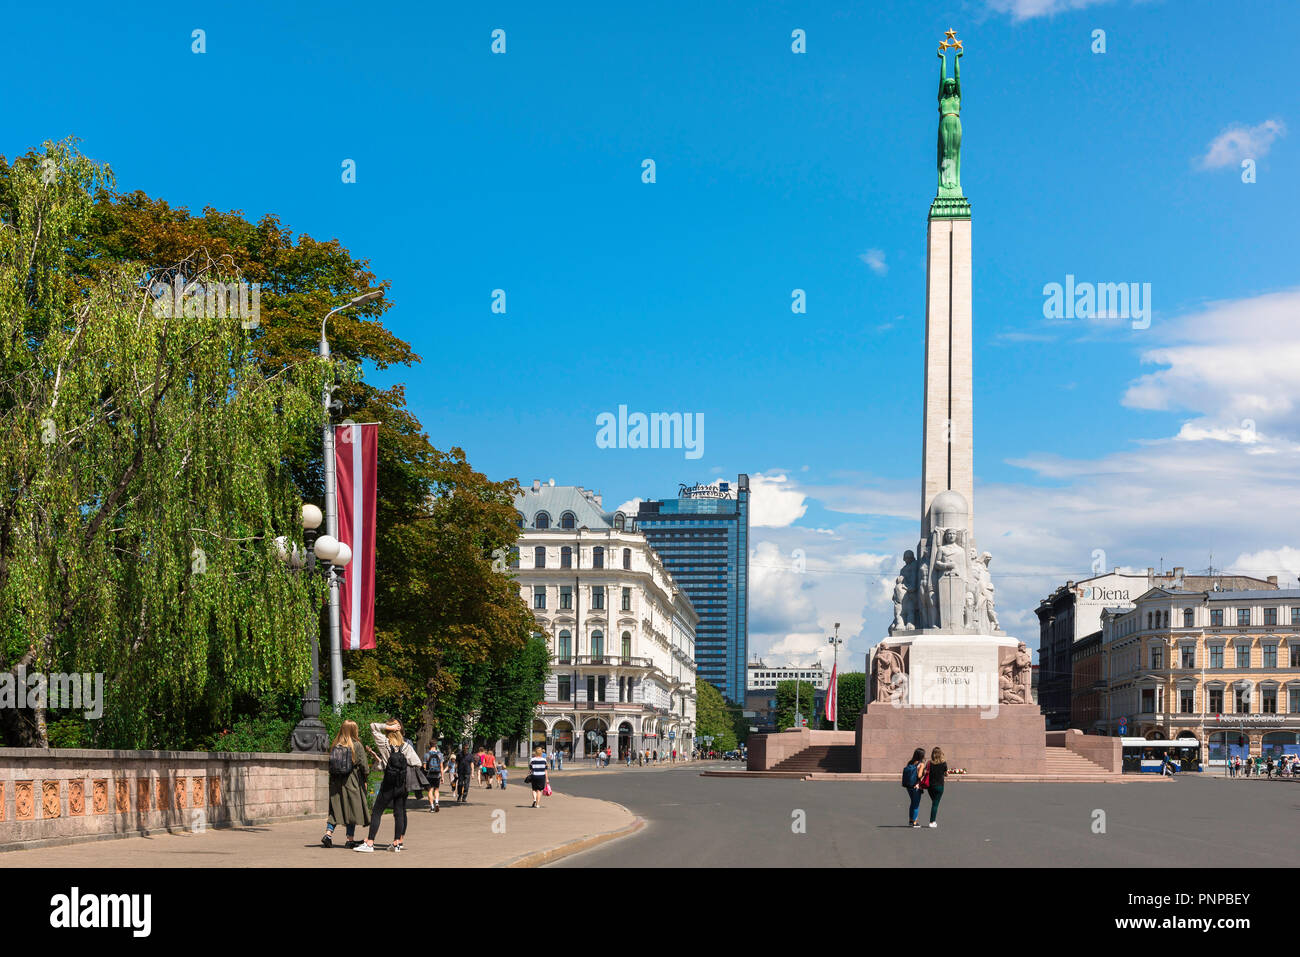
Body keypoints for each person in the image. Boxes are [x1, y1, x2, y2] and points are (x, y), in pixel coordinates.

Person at [355, 719, 420, 853]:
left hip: (388, 784)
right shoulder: (406, 746)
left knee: (377, 811)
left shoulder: (384, 743)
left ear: (388, 731)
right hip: (402, 785)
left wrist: (388, 727)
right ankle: (397, 843)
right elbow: (417, 763)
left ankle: (370, 842)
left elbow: (372, 726)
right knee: (399, 812)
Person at [323, 719, 371, 848]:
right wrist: (365, 779)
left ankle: (328, 834)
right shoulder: (357, 745)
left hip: (336, 782)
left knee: (335, 808)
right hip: (352, 781)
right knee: (351, 810)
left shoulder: (335, 744)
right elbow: (364, 766)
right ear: (354, 730)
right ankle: (350, 840)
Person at [924, 746, 947, 828]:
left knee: (934, 802)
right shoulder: (943, 763)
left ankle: (932, 821)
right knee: (935, 804)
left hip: (930, 786)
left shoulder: (929, 763)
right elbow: (945, 773)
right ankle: (932, 821)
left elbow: (925, 772)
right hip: (939, 786)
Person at [902, 747, 926, 828]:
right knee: (916, 804)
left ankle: (910, 820)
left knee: (912, 802)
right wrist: (924, 773)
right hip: (916, 785)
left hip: (909, 785)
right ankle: (915, 822)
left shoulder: (910, 762)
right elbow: (919, 775)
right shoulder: (921, 764)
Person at [424, 742, 443, 812]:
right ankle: (437, 802)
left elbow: (424, 766)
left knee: (430, 790)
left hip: (429, 775)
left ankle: (432, 807)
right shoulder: (440, 754)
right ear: (436, 745)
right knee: (437, 790)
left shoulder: (426, 755)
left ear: (429, 745)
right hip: (437, 774)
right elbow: (441, 766)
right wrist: (442, 776)